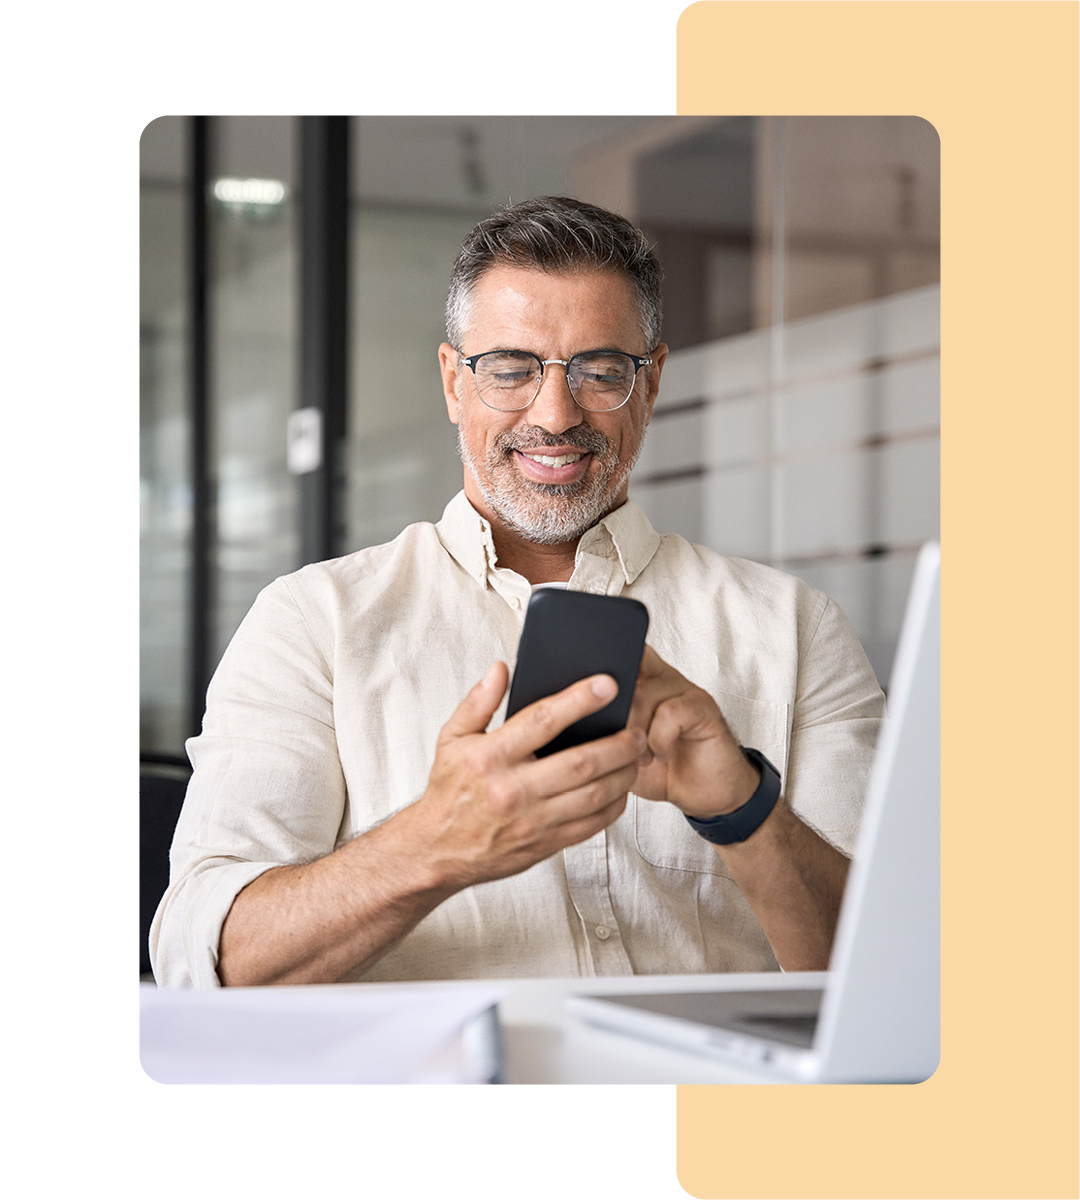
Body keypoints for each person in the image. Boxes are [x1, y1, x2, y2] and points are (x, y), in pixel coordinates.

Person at [150, 196, 884, 989]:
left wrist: (743, 811)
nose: (556, 414)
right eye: (510, 370)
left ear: (653, 382)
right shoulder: (314, 623)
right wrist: (435, 842)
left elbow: (899, 971)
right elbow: (207, 963)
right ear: (452, 383)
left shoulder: (793, 627)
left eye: (602, 371)